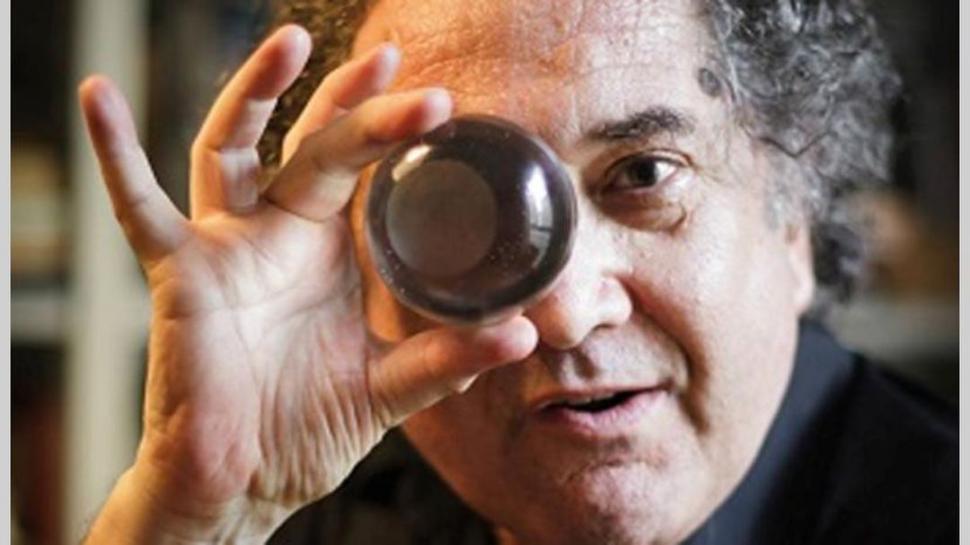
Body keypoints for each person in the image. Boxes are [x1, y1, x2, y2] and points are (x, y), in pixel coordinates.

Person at [77, 0, 956, 543]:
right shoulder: (319, 510)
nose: (563, 311)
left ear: (796, 217)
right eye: (460, 212)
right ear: (352, 263)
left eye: (643, 174)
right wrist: (196, 515)